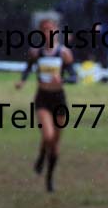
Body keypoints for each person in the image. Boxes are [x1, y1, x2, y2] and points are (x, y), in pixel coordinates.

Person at [15, 15, 75, 193]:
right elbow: (28, 68)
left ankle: (49, 177)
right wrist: (22, 81)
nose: (49, 33)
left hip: (59, 99)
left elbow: (74, 76)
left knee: (55, 143)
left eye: (52, 30)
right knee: (48, 136)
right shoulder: (36, 52)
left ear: (57, 32)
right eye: (45, 30)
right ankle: (42, 155)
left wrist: (63, 79)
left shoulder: (63, 53)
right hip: (42, 98)